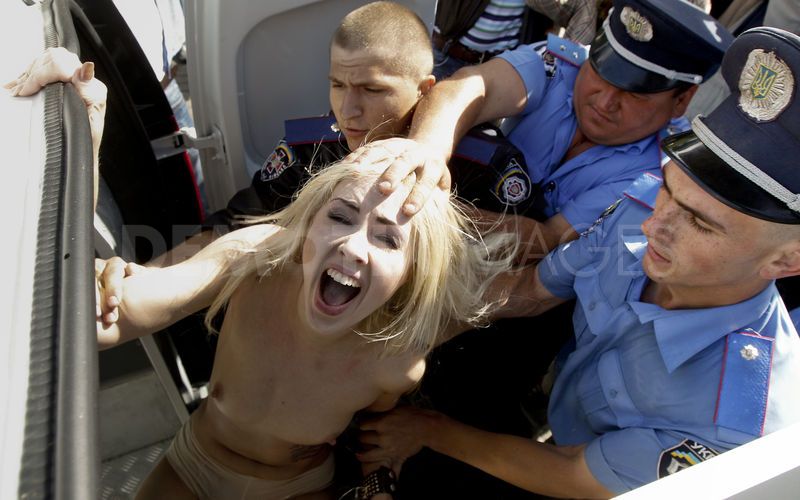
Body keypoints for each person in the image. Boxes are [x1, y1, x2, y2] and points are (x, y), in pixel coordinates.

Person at [356, 26, 800, 497]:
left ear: (788, 260)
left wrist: (428, 430)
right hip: (556, 412)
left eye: (701, 224)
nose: (656, 225)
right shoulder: (638, 212)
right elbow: (530, 290)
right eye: (669, 190)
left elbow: (570, 474)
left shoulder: (735, 425)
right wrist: (400, 322)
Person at [95, 157, 515, 499]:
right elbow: (120, 315)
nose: (352, 245)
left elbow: (372, 440)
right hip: (195, 467)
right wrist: (98, 284)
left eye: (387, 239)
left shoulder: (396, 364)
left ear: (412, 273)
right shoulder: (252, 259)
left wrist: (377, 488)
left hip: (300, 488)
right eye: (341, 216)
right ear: (309, 223)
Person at [161, 1, 532, 266]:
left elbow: (522, 266)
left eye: (372, 89)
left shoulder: (483, 165)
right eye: (337, 85)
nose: (347, 109)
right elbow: (237, 222)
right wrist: (157, 275)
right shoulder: (312, 147)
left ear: (425, 89)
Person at [361, 0, 732, 260]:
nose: (605, 101)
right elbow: (473, 86)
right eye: (601, 73)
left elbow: (550, 239)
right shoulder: (560, 65)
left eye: (635, 93)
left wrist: (431, 215)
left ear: (681, 101)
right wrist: (426, 149)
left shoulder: (659, 176)